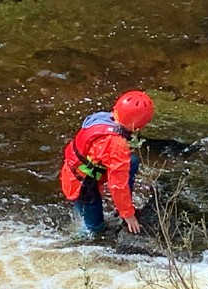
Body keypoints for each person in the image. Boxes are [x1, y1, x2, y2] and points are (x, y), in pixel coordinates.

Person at [59, 90, 154, 237]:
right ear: (137, 126)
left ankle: (118, 207)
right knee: (93, 230)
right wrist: (128, 215)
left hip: (76, 170)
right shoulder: (116, 145)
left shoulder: (103, 118)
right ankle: (75, 239)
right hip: (83, 185)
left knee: (132, 162)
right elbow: (117, 185)